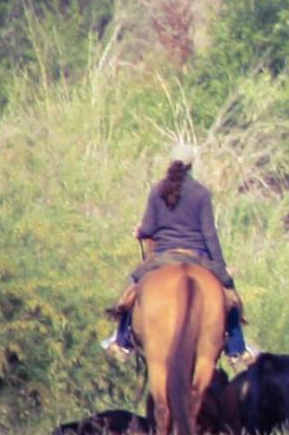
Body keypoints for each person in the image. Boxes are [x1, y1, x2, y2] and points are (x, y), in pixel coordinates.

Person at [102, 144, 253, 361]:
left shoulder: (157, 190)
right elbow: (209, 234)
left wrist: (140, 232)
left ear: (170, 162)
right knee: (230, 294)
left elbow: (149, 228)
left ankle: (122, 341)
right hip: (198, 256)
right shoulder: (201, 193)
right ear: (192, 164)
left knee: (133, 288)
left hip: (163, 256)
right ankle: (237, 348)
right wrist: (221, 267)